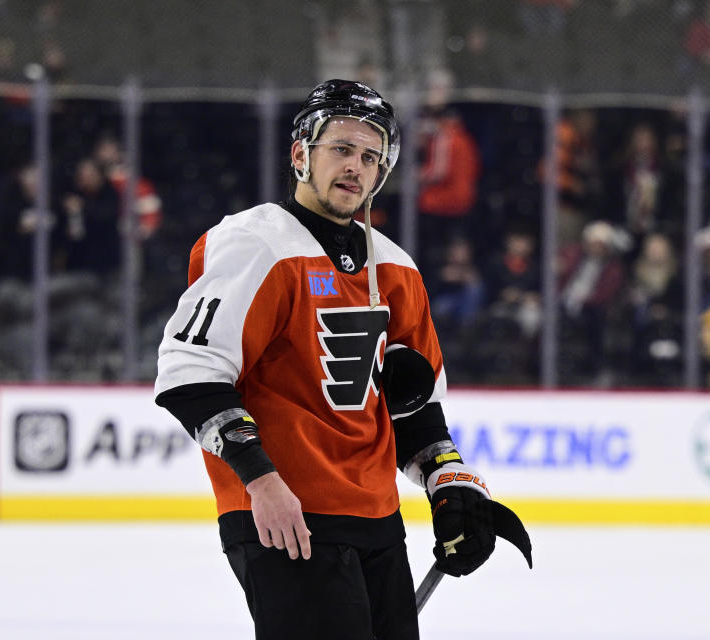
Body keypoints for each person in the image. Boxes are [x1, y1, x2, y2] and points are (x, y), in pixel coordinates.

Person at [154, 80, 521, 639]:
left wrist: (449, 480)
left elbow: (415, 412)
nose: (356, 167)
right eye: (342, 150)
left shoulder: (394, 268)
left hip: (378, 520)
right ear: (301, 155)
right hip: (288, 522)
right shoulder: (257, 244)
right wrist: (262, 483)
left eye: (370, 157)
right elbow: (191, 375)